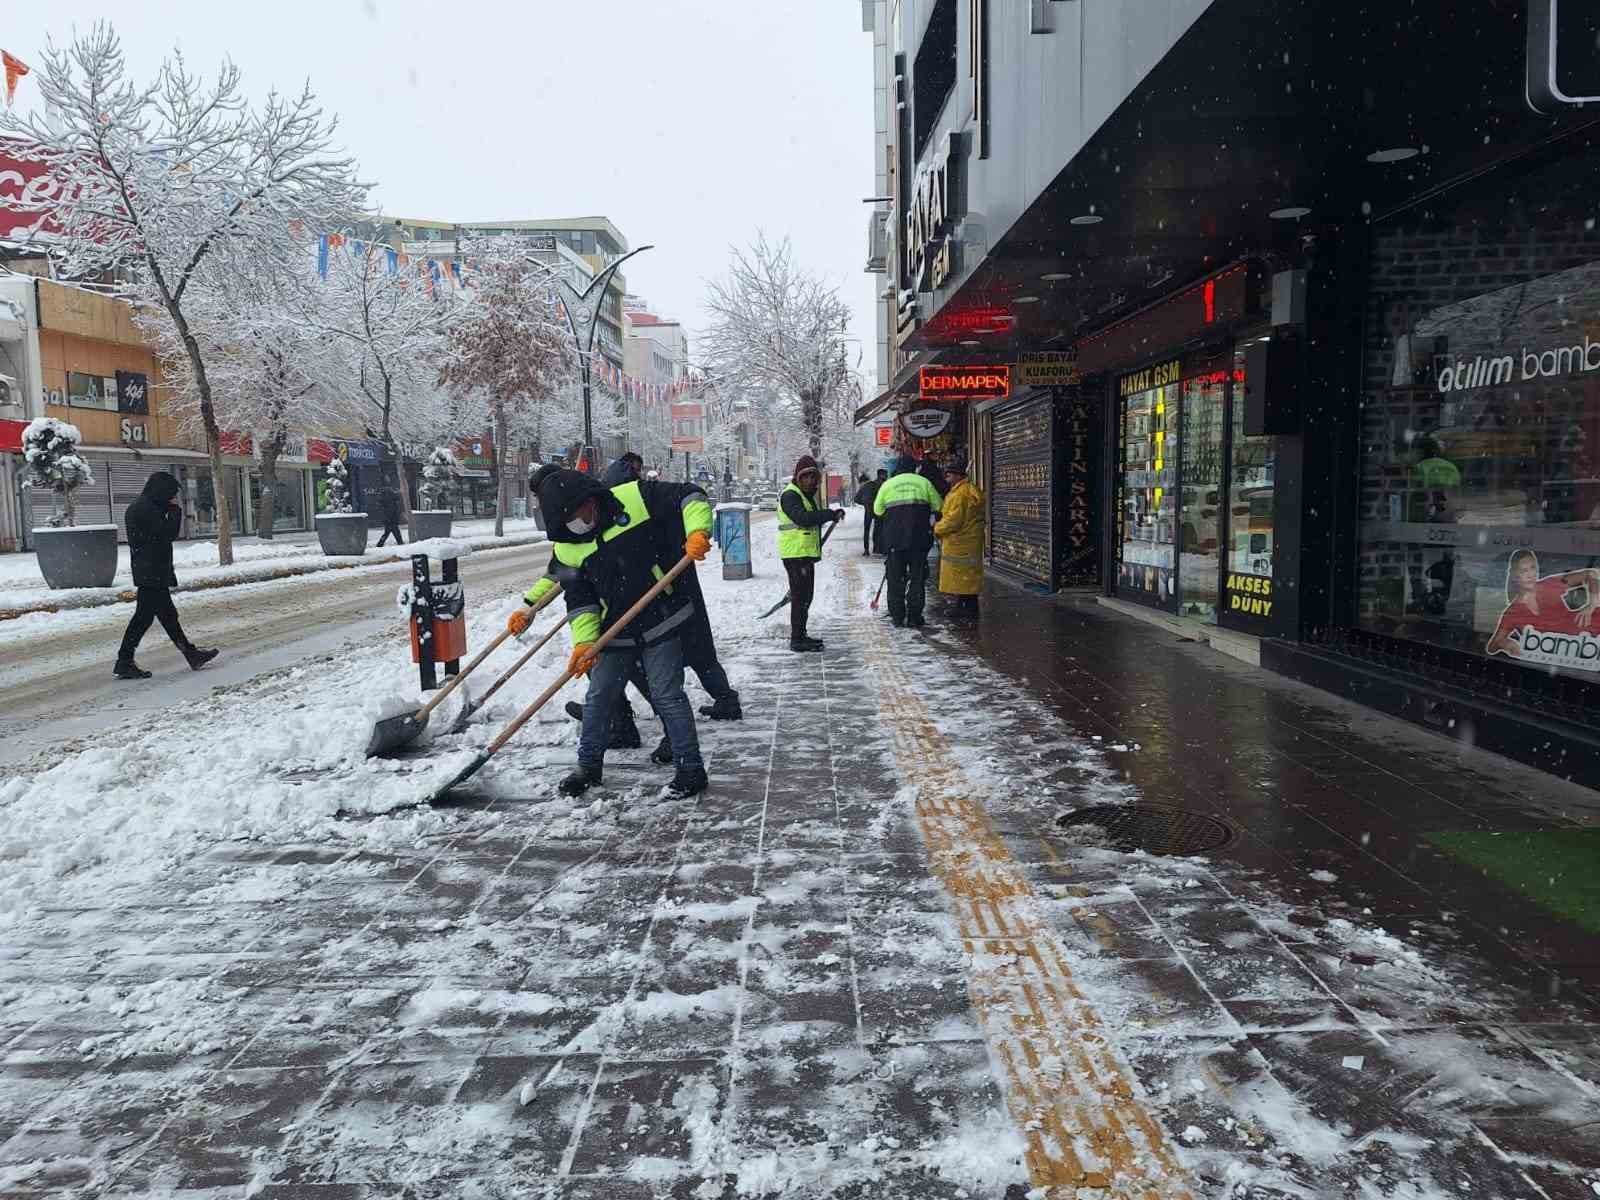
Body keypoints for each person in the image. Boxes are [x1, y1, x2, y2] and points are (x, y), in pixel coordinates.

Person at [511, 464, 714, 798]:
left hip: (660, 615)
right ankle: (588, 766)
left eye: (581, 511)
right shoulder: (568, 545)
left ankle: (690, 768)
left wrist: (697, 530)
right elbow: (580, 599)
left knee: (667, 694)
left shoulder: (634, 498)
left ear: (591, 497)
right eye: (570, 519)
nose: (580, 520)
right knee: (599, 696)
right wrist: (584, 643)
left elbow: (689, 495)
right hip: (614, 628)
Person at [114, 471, 218, 679]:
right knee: (143, 619)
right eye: (170, 494)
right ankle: (124, 661)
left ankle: (190, 653)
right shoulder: (145, 509)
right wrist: (175, 511)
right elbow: (167, 534)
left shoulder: (145, 506)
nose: (173, 498)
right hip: (151, 571)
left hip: (151, 569)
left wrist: (168, 508)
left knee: (166, 617)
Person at [777, 455, 843, 652]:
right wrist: (829, 514)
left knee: (806, 597)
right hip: (795, 555)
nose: (810, 481)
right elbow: (803, 518)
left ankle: (801, 635)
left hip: (803, 554)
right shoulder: (790, 495)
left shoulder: (804, 496)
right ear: (798, 477)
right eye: (805, 476)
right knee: (800, 597)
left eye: (813, 477)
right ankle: (797, 639)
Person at [1486, 550, 1600, 658]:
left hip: (1591, 633)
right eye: (1524, 571)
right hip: (1574, 655)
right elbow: (1491, 647)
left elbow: (1590, 574)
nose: (1530, 575)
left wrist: (1592, 605)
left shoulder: (1549, 585)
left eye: (1532, 568)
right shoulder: (1512, 613)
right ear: (1515, 576)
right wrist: (1505, 643)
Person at [874, 455, 943, 629]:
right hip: (918, 540)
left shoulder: (887, 485)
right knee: (917, 579)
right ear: (914, 468)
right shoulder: (924, 483)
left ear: (897, 468)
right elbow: (938, 506)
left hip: (894, 541)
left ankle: (897, 616)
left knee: (895, 579)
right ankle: (914, 617)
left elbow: (877, 510)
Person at [933, 460, 984, 618]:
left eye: (950, 472)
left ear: (959, 475)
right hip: (969, 540)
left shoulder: (959, 494)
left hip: (958, 541)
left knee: (960, 574)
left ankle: (964, 609)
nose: (946, 475)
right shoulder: (968, 490)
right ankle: (967, 606)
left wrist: (936, 528)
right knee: (967, 575)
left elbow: (953, 520)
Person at [854, 473, 881, 557]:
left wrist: (865, 503)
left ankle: (866, 550)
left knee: (867, 530)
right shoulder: (876, 485)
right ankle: (877, 548)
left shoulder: (863, 487)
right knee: (877, 529)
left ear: (862, 481)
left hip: (868, 510)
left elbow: (856, 499)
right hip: (877, 510)